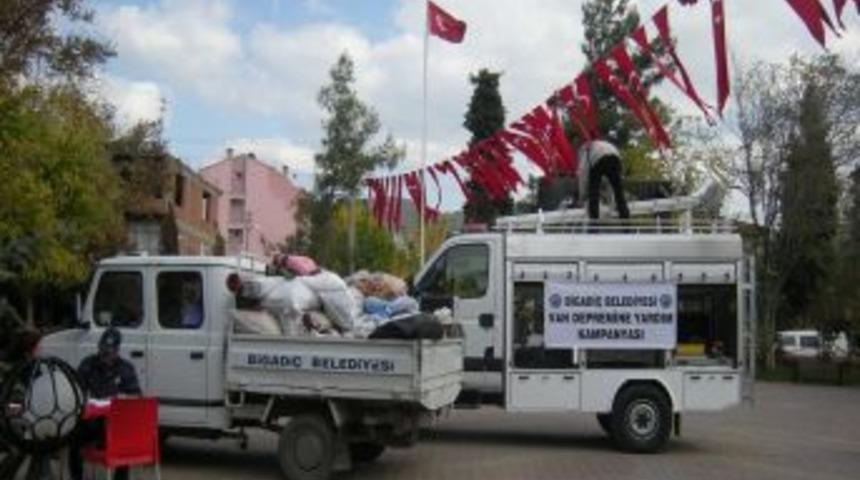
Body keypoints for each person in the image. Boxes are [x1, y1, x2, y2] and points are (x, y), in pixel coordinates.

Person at [68, 327, 141, 480]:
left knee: (123, 437)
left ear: (117, 350)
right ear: (99, 347)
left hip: (115, 425)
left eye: (109, 351)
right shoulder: (88, 364)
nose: (105, 355)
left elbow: (136, 396)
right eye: (103, 350)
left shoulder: (125, 368)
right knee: (74, 437)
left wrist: (122, 398)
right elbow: (75, 389)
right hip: (92, 423)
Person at [577, 139, 630, 220]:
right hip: (615, 157)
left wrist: (582, 197)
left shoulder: (585, 152)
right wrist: (612, 203)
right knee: (619, 192)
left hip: (598, 158)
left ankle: (594, 225)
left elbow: (583, 176)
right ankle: (626, 224)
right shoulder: (599, 144)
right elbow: (610, 185)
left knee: (593, 193)